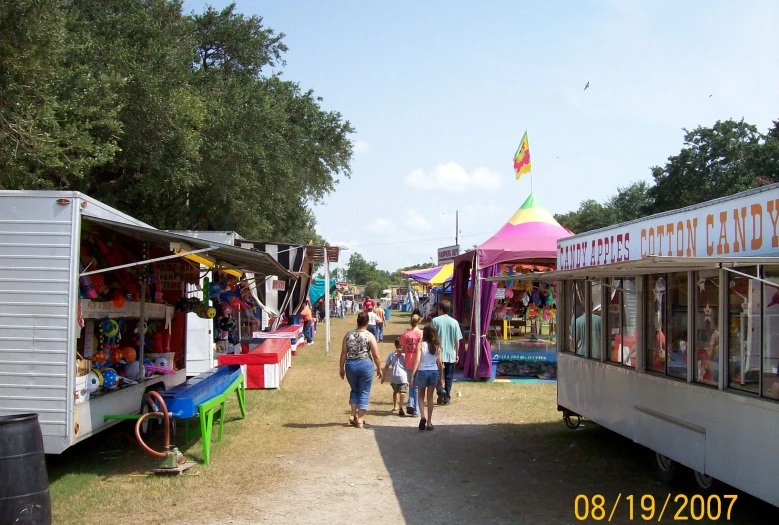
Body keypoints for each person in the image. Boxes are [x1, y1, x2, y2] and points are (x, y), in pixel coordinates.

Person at [340, 312, 382, 428]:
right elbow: (376, 354)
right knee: (364, 390)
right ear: (367, 322)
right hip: (365, 364)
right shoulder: (369, 335)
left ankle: (353, 414)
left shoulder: (348, 334)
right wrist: (379, 368)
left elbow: (344, 352)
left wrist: (341, 367)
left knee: (354, 389)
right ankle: (360, 419)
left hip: (351, 364)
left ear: (357, 321)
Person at [410, 324, 444, 431]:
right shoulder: (437, 346)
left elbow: (417, 360)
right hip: (433, 371)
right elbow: (439, 363)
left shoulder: (421, 345)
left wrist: (412, 375)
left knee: (420, 396)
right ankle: (429, 422)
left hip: (422, 371)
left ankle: (422, 416)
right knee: (430, 397)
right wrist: (441, 378)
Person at [431, 300, 462, 405]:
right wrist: (457, 354)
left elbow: (431, 338)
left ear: (440, 309)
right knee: (449, 376)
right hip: (450, 353)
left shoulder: (434, 321)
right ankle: (447, 397)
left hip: (437, 353)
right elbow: (457, 341)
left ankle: (440, 390)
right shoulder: (454, 322)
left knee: (436, 374)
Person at [399, 314, 423, 416]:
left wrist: (399, 352)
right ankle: (415, 409)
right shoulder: (422, 333)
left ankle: (411, 403)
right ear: (419, 322)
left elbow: (403, 348)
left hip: (409, 361)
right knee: (417, 387)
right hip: (420, 361)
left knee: (411, 385)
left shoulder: (406, 334)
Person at [381, 338, 408, 416]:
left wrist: (383, 376)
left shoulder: (391, 354)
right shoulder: (405, 355)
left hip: (394, 376)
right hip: (403, 376)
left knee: (395, 391)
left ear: (395, 345)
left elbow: (386, 366)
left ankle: (395, 405)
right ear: (402, 345)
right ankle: (401, 406)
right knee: (402, 392)